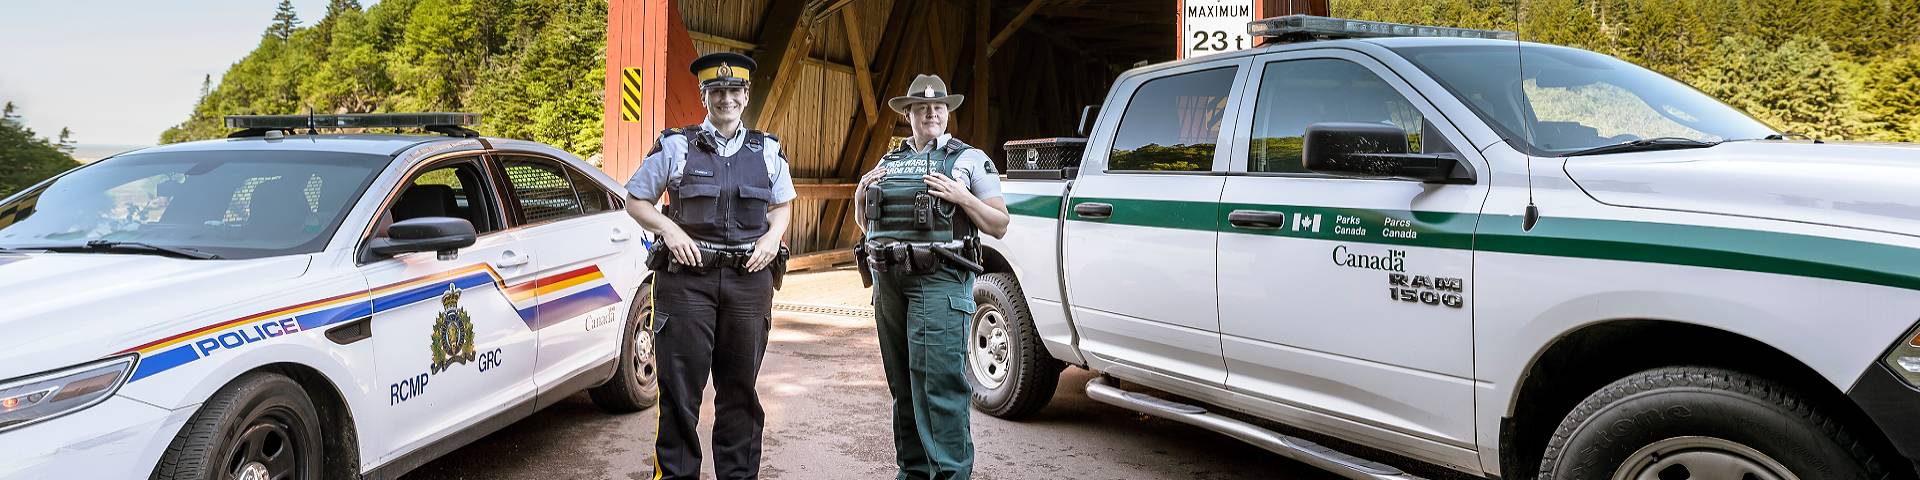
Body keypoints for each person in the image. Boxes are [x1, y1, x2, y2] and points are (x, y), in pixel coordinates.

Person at [623, 51, 796, 480]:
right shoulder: (676, 146)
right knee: (680, 396)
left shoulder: (767, 150)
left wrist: (773, 238)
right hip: (686, 286)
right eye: (717, 91)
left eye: (734, 90)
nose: (726, 98)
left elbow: (784, 205)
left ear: (746, 94)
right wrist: (669, 230)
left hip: (748, 283)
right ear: (705, 95)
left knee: (740, 394)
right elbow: (636, 200)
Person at [855, 74, 1010, 480]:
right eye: (922, 108)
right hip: (889, 283)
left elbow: (999, 223)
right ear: (908, 114)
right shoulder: (888, 161)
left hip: (939, 281)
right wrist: (859, 195)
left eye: (939, 107)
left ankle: (950, 475)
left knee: (939, 389)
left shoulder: (969, 159)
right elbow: (867, 225)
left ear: (948, 112)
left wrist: (962, 197)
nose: (932, 113)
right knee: (903, 389)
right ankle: (912, 473)